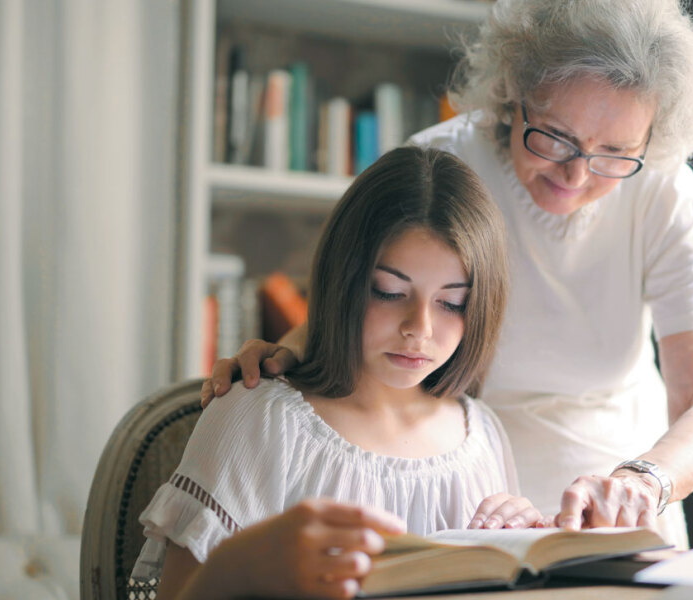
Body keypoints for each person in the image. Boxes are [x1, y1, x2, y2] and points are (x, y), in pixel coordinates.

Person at [204, 0, 693, 550]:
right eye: (555, 136)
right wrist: (286, 353)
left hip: (615, 505)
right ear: (514, 92)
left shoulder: (663, 193)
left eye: (615, 153)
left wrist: (645, 481)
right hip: (466, 488)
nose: (577, 174)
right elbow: (364, 303)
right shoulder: (440, 166)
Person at [134, 147, 541, 600]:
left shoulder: (481, 435)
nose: (419, 329)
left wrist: (524, 545)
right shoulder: (260, 421)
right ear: (344, 279)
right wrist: (245, 561)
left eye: (452, 303)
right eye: (388, 292)